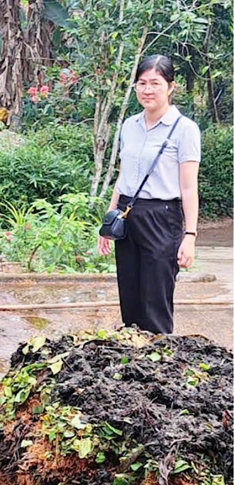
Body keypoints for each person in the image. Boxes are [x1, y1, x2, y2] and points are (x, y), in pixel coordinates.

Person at [98, 55, 201, 334]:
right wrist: (109, 220)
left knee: (155, 297)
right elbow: (123, 176)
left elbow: (189, 188)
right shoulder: (129, 126)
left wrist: (189, 236)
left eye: (155, 83)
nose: (147, 90)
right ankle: (133, 357)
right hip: (129, 215)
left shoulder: (185, 130)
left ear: (170, 87)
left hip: (163, 217)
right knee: (129, 294)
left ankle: (160, 363)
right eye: (141, 83)